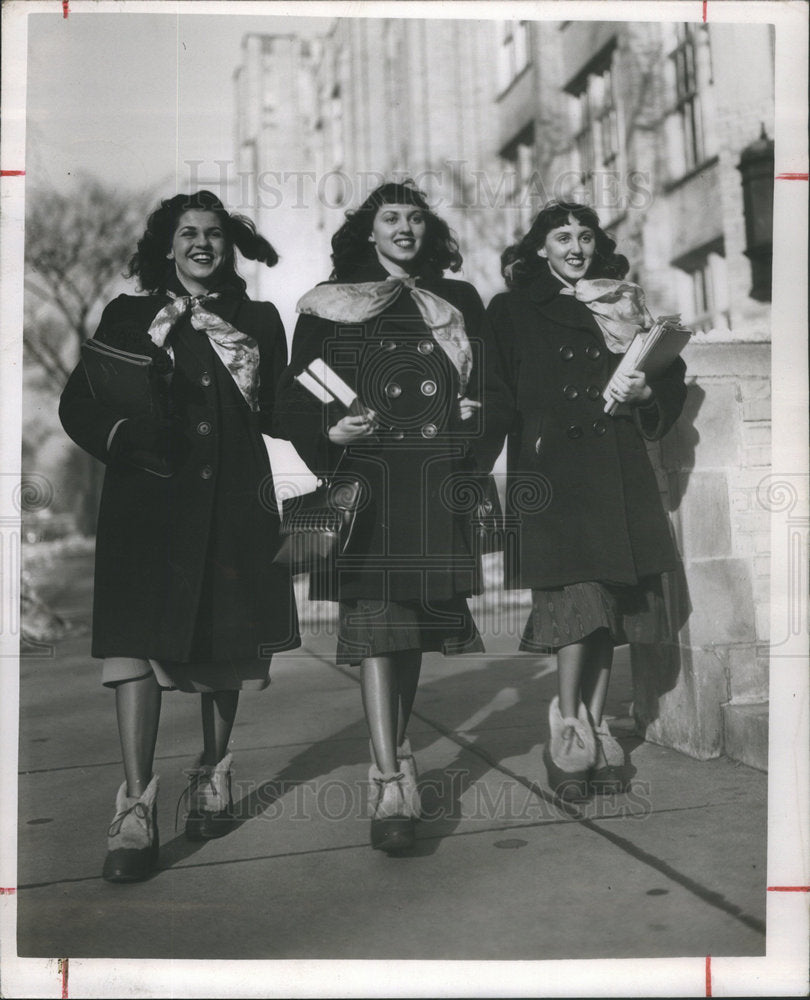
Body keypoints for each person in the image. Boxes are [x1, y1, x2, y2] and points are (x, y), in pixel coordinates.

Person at [59, 190, 299, 882]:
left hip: (230, 500)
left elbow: (281, 406)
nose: (202, 243)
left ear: (229, 246)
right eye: (188, 233)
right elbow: (79, 403)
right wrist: (128, 437)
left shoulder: (256, 318)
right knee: (135, 649)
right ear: (166, 245)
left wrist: (340, 422)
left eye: (215, 234)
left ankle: (212, 774)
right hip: (146, 507)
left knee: (221, 643)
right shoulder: (129, 316)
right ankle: (134, 809)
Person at [273, 181, 512, 853]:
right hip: (365, 487)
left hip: (436, 484)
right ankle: (388, 781)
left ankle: (399, 752)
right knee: (376, 622)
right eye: (390, 218)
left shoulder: (457, 301)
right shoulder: (329, 305)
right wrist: (332, 431)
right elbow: (298, 393)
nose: (404, 227)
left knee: (409, 632)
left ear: (425, 231)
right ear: (368, 233)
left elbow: (494, 392)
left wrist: (472, 437)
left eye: (413, 217)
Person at [487, 201, 687, 801]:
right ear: (538, 249)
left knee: (609, 612)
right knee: (576, 610)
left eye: (584, 237)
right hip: (553, 478)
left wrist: (646, 386)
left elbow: (668, 371)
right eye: (560, 237)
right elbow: (494, 394)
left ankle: (595, 729)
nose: (575, 247)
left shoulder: (623, 302)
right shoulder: (511, 309)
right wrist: (471, 473)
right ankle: (566, 726)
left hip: (617, 471)